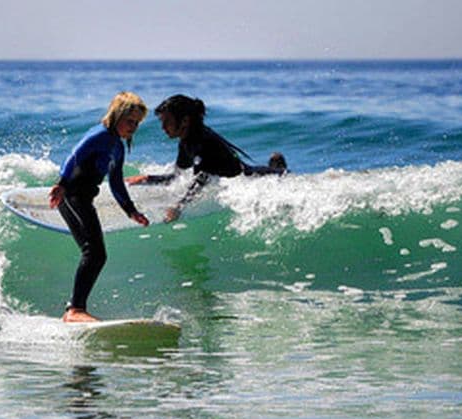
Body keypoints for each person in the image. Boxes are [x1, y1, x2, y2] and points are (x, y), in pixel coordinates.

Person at [49, 91, 150, 323]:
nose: (133, 127)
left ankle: (74, 309)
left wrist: (130, 210)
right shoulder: (99, 135)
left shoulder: (117, 147)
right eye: (130, 121)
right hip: (71, 195)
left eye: (137, 123)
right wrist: (61, 184)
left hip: (84, 199)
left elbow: (115, 181)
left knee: (96, 253)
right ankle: (75, 310)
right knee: (94, 252)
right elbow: (75, 156)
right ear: (117, 115)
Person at [125, 94, 287, 222]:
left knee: (280, 174)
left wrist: (179, 207)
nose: (163, 127)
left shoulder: (203, 142)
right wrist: (147, 179)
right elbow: (177, 177)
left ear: (185, 121)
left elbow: (203, 178)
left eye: (167, 122)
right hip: (246, 174)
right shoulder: (186, 142)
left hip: (253, 178)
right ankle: (277, 165)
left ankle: (278, 168)